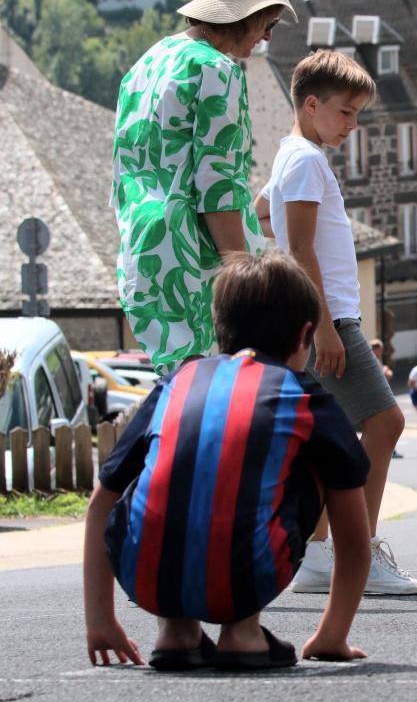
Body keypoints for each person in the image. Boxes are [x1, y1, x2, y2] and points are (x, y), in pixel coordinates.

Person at [83, 252, 371, 670]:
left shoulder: (177, 381)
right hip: (245, 579)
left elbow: (100, 505)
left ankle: (175, 632)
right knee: (322, 469)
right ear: (304, 335)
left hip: (143, 577)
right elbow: (354, 542)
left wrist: (101, 620)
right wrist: (332, 634)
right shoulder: (305, 396)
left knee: (164, 470)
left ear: (221, 331)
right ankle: (243, 632)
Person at [255, 49, 417, 596]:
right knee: (386, 424)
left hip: (319, 315)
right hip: (328, 316)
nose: (353, 125)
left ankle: (319, 555)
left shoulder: (292, 155)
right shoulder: (306, 160)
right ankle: (360, 553)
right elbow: (302, 247)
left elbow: (261, 211)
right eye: (346, 112)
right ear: (311, 104)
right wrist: (326, 326)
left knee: (332, 438)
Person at [112, 0, 295, 375]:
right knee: (222, 406)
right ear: (243, 17)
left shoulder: (149, 62)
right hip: (198, 263)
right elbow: (219, 189)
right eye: (267, 24)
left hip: (145, 255)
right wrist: (244, 288)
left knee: (181, 399)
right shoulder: (216, 70)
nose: (266, 38)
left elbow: (125, 175)